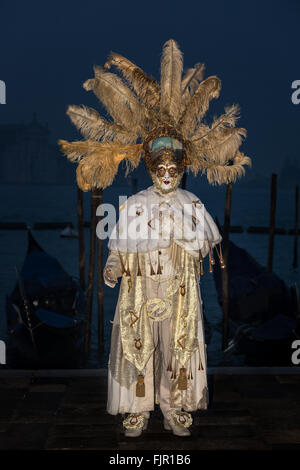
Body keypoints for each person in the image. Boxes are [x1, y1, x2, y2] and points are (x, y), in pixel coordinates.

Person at [59, 39, 251, 437]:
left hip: (179, 289)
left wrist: (186, 235)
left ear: (182, 167)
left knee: (178, 348)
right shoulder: (132, 206)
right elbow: (119, 245)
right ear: (149, 166)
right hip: (141, 290)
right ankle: (139, 407)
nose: (166, 174)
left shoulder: (193, 203)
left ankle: (176, 405)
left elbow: (204, 245)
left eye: (173, 167)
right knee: (137, 346)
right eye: (159, 166)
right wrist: (113, 266)